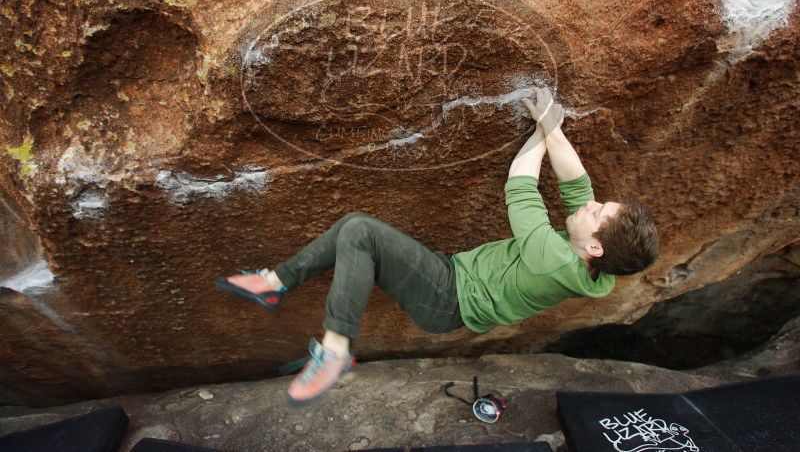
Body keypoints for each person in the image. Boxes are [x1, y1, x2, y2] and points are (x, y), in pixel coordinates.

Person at [215, 86, 659, 406]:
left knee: (360, 230)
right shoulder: (595, 261)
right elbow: (576, 186)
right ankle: (274, 283)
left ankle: (333, 350)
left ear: (596, 248)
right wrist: (553, 130)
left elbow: (520, 185)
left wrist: (545, 129)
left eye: (599, 214)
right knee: (356, 232)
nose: (592, 206)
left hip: (447, 299)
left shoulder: (553, 260)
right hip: (453, 281)